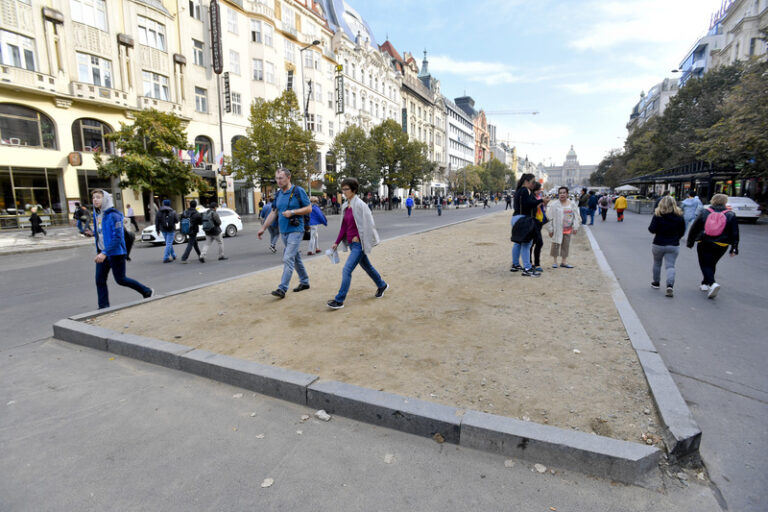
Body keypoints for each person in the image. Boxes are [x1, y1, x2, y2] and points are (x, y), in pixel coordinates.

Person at [327, 177, 388, 309]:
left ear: (354, 189)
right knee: (367, 267)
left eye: (346, 189)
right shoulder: (345, 205)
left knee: (347, 269)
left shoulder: (360, 205)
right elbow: (343, 227)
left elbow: (369, 224)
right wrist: (336, 242)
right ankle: (381, 285)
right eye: (342, 189)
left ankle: (339, 300)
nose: (344, 191)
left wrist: (360, 239)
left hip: (359, 245)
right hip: (352, 244)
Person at [91, 189, 153, 309]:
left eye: (98, 197)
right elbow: (101, 232)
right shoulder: (97, 214)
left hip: (115, 253)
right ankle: (103, 307)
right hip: (102, 252)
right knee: (99, 280)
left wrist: (104, 253)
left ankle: (146, 291)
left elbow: (118, 237)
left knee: (121, 279)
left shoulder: (114, 215)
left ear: (106, 199)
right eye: (93, 198)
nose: (95, 200)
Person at [257, 168, 311, 298]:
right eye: (276, 178)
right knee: (295, 257)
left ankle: (282, 288)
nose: (278, 181)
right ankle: (305, 282)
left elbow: (309, 208)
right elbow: (273, 212)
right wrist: (263, 228)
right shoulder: (279, 194)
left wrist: (293, 212)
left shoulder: (298, 191)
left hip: (296, 230)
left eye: (281, 178)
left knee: (288, 258)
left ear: (288, 177)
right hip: (284, 231)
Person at [686, 193, 739, 299]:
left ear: (712, 200)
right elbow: (734, 232)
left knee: (704, 263)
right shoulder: (730, 214)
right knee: (712, 263)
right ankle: (705, 283)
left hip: (705, 242)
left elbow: (695, 228)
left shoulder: (705, 212)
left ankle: (712, 283)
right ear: (725, 202)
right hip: (722, 244)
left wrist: (690, 241)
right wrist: (734, 247)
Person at [510, 173, 548, 277]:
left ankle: (515, 264)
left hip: (516, 218)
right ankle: (527, 268)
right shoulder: (525, 190)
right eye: (532, 182)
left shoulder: (519, 190)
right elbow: (527, 204)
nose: (534, 184)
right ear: (526, 181)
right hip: (523, 219)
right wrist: (541, 200)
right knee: (526, 244)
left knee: (518, 243)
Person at [648, 196, 686, 297]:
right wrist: (676, 237)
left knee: (657, 263)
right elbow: (682, 231)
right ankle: (669, 285)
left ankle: (656, 282)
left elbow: (651, 229)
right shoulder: (679, 216)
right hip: (673, 244)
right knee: (670, 266)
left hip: (658, 243)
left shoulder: (658, 215)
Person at [547, 186, 580, 268]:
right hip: (557, 228)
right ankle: (555, 262)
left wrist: (575, 227)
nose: (562, 194)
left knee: (566, 245)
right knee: (555, 244)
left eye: (564, 193)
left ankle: (564, 262)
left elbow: (576, 216)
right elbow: (550, 218)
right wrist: (550, 229)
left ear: (567, 194)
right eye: (560, 193)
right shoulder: (554, 205)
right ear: (558, 194)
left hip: (567, 228)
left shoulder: (572, 204)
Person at [529, 182, 546, 272]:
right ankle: (534, 263)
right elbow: (532, 209)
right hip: (533, 222)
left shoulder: (539, 197)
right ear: (535, 190)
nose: (540, 191)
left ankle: (534, 263)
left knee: (535, 243)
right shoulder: (531, 197)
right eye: (539, 189)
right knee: (536, 243)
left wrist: (545, 203)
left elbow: (543, 210)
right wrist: (540, 203)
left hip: (539, 222)